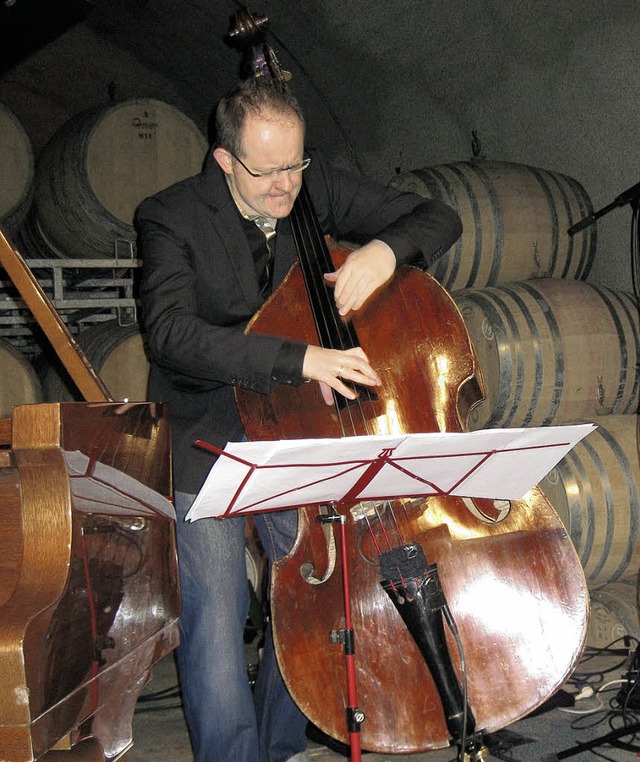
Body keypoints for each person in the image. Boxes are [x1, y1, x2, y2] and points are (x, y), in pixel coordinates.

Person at [135, 78, 462, 762]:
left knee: (313, 605)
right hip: (210, 433)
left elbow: (438, 217)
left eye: (296, 164)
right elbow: (170, 335)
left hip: (299, 432)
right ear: (225, 160)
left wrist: (383, 250)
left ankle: (281, 744)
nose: (287, 186)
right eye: (267, 171)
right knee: (217, 622)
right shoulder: (170, 216)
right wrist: (299, 358)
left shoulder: (310, 188)